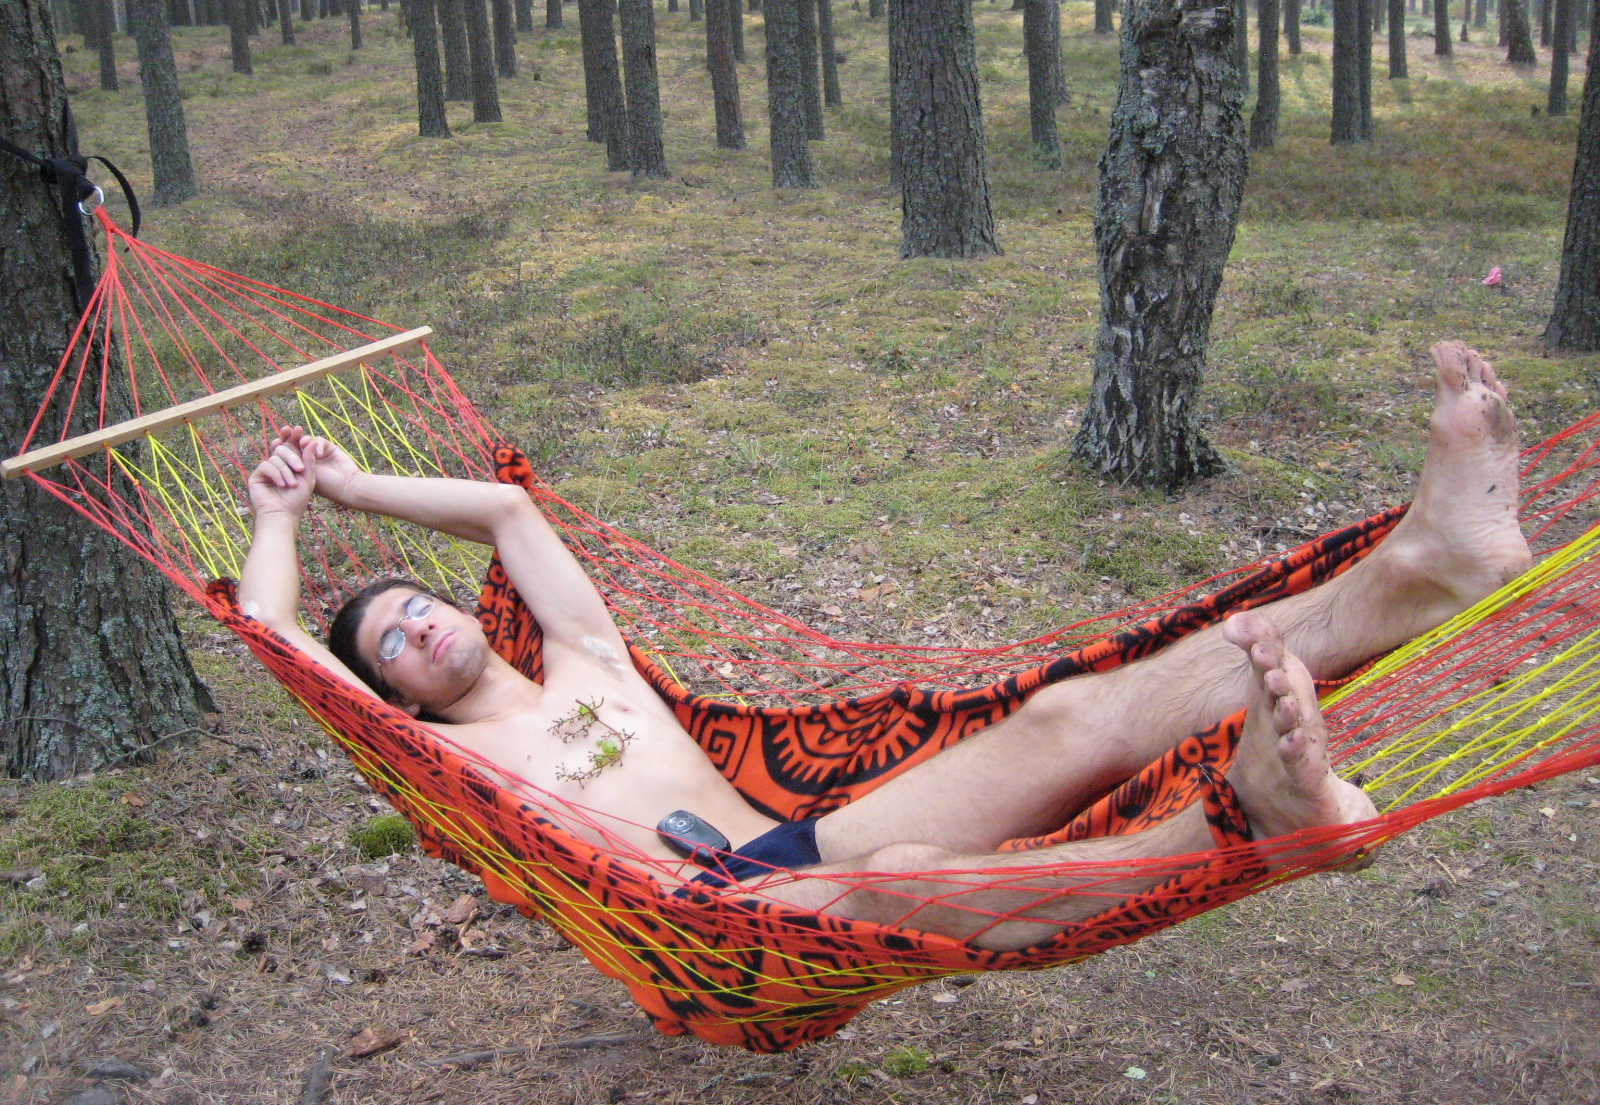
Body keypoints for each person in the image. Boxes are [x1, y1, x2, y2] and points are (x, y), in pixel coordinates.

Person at [239, 342, 1530, 950]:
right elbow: (274, 631)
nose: (416, 623)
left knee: (1062, 718)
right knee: (903, 882)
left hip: (790, 844)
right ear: (394, 695)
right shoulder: (460, 764)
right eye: (390, 642)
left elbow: (509, 512)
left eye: (416, 603)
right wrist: (280, 518)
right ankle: (1244, 825)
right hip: (710, 926)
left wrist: (353, 487)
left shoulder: (584, 658)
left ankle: (1413, 576)